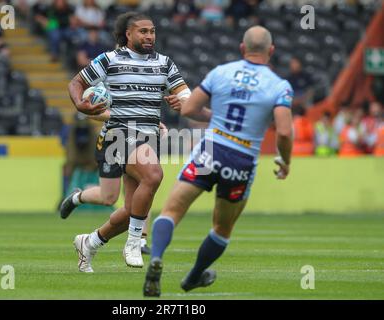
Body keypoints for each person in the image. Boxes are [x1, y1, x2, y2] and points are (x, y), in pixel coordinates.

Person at [143, 25, 294, 297]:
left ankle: (156, 258)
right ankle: (192, 277)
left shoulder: (220, 73)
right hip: (242, 159)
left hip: (211, 150)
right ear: (271, 51)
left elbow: (189, 109)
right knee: (222, 228)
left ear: (241, 48)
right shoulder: (279, 86)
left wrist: (217, 115)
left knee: (172, 211)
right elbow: (283, 131)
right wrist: (285, 160)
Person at [62, 12, 203, 272]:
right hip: (118, 135)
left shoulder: (165, 64)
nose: (149, 36)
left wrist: (181, 101)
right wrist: (80, 102)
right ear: (128, 34)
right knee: (153, 175)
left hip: (147, 138)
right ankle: (134, 243)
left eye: (152, 31)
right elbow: (76, 82)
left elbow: (187, 95)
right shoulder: (109, 60)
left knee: (130, 210)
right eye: (143, 31)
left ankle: (89, 242)